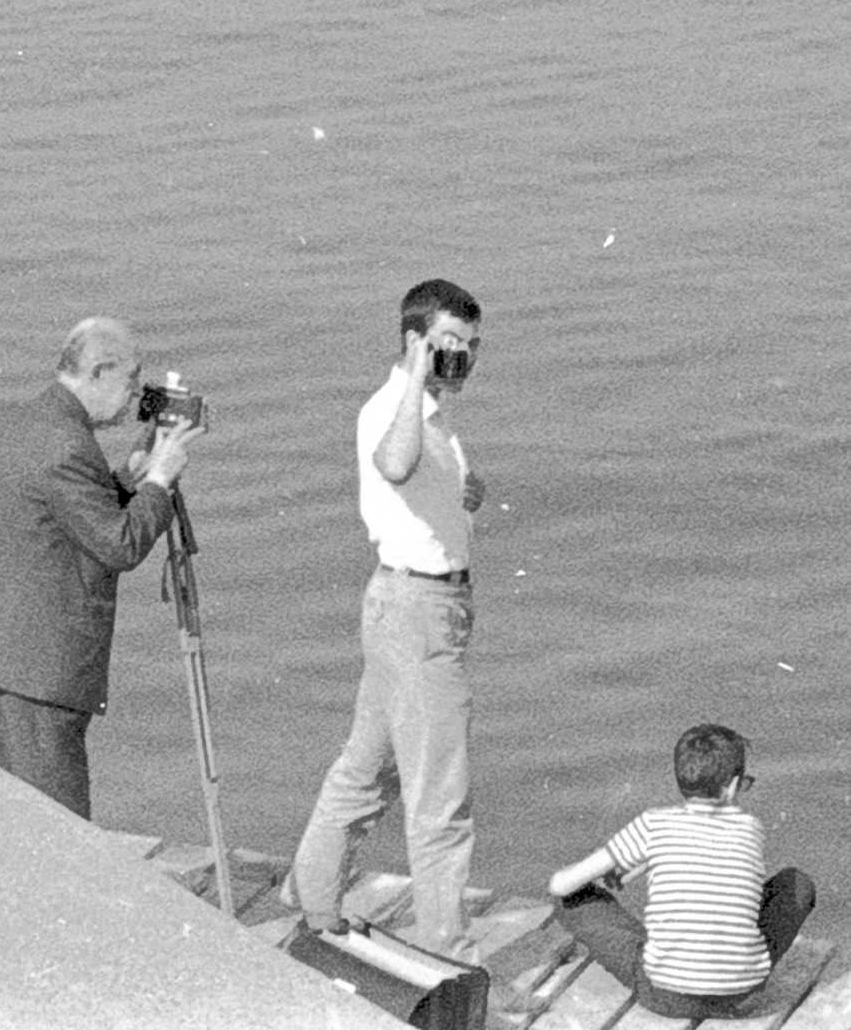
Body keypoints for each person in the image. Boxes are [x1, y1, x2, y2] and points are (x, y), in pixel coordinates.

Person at [289, 277, 489, 957]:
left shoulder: (431, 414)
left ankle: (314, 901)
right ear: (415, 341)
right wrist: (413, 376)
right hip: (418, 613)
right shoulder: (395, 409)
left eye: (470, 346)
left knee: (366, 770)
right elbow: (396, 463)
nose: (460, 358)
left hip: (414, 609)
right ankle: (448, 953)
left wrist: (464, 494)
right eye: (448, 345)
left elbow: (416, 484)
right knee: (441, 800)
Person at [0, 317, 202, 820]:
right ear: (98, 371)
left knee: (10, 823)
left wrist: (130, 480)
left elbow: (73, 512)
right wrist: (159, 482)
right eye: (131, 380)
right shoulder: (66, 445)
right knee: (60, 833)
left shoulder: (37, 421)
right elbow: (119, 544)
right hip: (35, 677)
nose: (136, 396)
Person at [547, 724, 816, 1020]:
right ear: (730, 786)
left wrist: (622, 865)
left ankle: (673, 956)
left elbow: (561, 885)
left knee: (571, 899)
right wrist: (644, 862)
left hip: (664, 996)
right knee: (797, 884)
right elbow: (706, 849)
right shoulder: (750, 828)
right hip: (742, 996)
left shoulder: (654, 824)